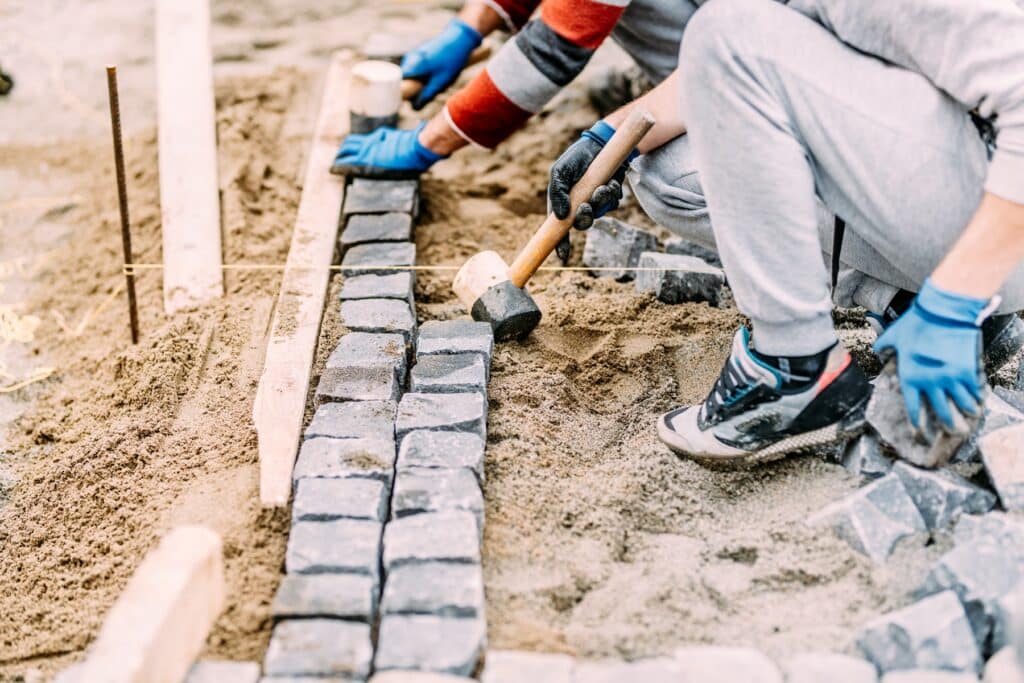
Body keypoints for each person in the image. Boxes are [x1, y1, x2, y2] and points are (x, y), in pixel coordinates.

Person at [547, 0, 1024, 466]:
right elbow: (731, 64)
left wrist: (954, 302)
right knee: (667, 172)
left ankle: (795, 368)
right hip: (967, 193)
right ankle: (903, 296)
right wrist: (610, 137)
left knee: (725, 31)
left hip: (1001, 235)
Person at [331, 0, 700, 181]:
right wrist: (468, 29)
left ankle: (677, 82)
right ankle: (666, 76)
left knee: (664, 180)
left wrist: (429, 142)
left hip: (745, 58)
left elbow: (555, 51)